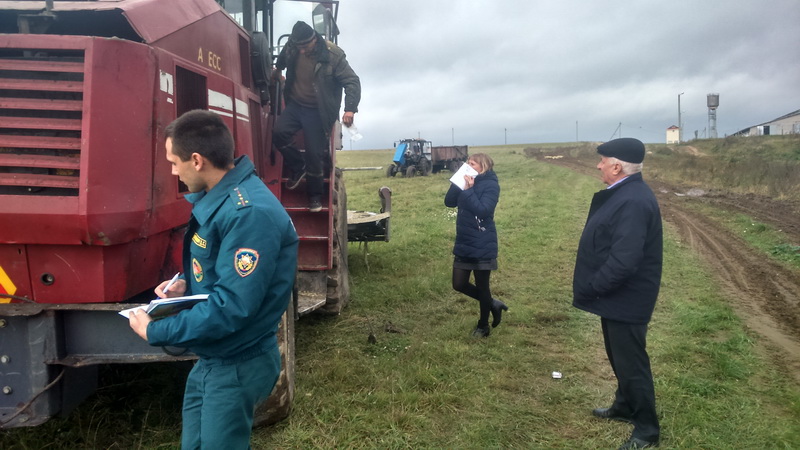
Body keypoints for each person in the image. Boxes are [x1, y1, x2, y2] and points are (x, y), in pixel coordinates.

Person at [128, 110, 299, 449]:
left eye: (174, 163)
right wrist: (185, 285)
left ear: (197, 160)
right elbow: (221, 268)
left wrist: (156, 330)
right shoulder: (222, 198)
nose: (173, 172)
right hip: (218, 358)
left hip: (237, 362)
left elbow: (232, 306)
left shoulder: (248, 213)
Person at [572, 138, 663, 449]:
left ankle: (647, 430)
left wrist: (594, 287)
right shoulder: (626, 193)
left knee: (632, 365)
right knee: (619, 357)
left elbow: (625, 261)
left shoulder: (633, 200)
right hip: (616, 298)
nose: (598, 165)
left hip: (627, 298)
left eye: (602, 160)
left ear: (616, 167)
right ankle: (624, 406)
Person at [272, 20, 361, 212]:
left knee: (314, 154)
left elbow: (352, 81)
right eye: (299, 47)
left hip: (317, 110)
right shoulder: (293, 46)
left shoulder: (332, 55)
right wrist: (277, 71)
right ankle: (298, 166)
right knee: (279, 133)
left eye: (305, 46)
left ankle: (314, 196)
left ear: (314, 39)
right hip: (296, 105)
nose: (302, 50)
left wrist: (350, 109)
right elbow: (282, 59)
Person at [445, 153, 507, 338]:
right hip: (464, 239)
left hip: (482, 240)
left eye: (472, 164)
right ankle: (493, 303)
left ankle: (483, 326)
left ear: (483, 167)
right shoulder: (466, 181)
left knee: (482, 286)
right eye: (467, 163)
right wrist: (457, 182)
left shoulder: (491, 185)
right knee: (459, 284)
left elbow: (483, 210)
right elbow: (449, 202)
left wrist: (468, 190)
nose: (468, 166)